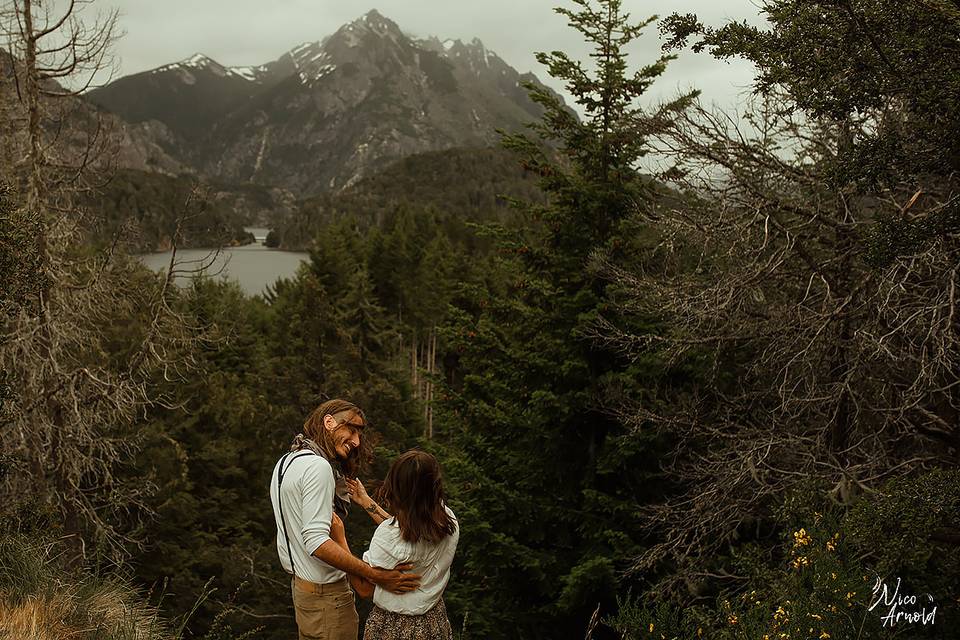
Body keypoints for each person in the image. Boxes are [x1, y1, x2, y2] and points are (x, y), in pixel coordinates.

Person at [270, 399, 422, 640]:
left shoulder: (285, 462)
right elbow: (317, 543)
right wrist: (376, 575)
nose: (356, 441)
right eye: (352, 430)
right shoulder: (318, 468)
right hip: (327, 599)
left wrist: (365, 501)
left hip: (303, 591)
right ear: (329, 422)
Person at [340, 450, 460, 640]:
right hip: (434, 621)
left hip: (393, 626)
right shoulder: (446, 519)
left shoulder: (388, 537)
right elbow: (405, 534)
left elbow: (364, 588)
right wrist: (366, 502)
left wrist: (339, 539)